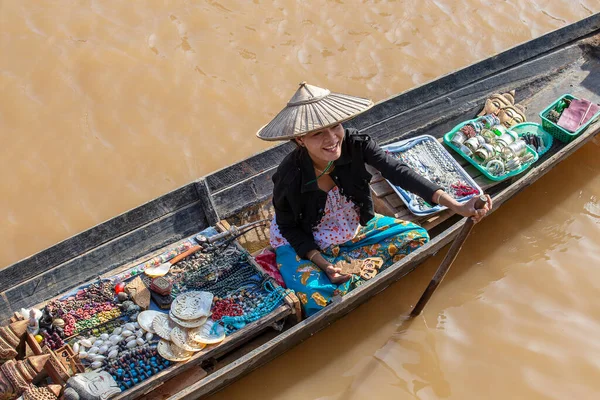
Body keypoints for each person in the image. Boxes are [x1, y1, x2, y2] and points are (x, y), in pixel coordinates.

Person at [256, 82, 492, 316]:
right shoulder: (289, 175)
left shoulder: (356, 144)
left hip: (347, 225)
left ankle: (351, 273)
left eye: (335, 126)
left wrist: (457, 205)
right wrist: (324, 265)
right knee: (318, 304)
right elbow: (288, 226)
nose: (332, 139)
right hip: (303, 239)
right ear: (300, 140)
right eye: (318, 133)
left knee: (417, 238)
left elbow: (397, 171)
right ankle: (342, 270)